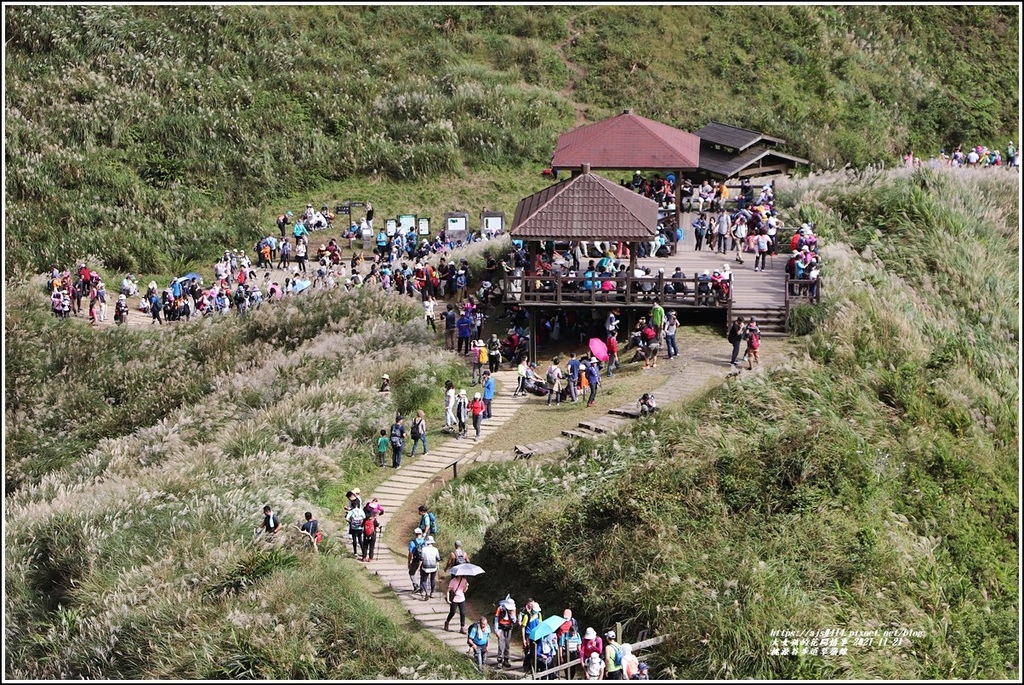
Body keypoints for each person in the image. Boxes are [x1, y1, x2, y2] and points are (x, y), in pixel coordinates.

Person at [520, 599, 543, 673]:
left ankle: (534, 667)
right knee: (529, 651)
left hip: (537, 636)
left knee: (536, 652)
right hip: (529, 636)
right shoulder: (527, 616)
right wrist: (524, 639)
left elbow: (540, 625)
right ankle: (527, 666)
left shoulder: (539, 615)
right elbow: (523, 627)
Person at [494, 596, 517, 668]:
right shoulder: (500, 609)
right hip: (501, 627)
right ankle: (500, 661)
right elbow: (496, 619)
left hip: (509, 628)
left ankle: (506, 660)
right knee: (501, 645)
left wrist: (512, 614)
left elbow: (514, 620)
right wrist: (496, 630)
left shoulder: (513, 609)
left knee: (507, 644)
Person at [408, 527, 425, 593]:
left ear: (415, 534)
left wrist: (409, 562)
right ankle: (422, 587)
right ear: (421, 533)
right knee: (422, 574)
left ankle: (415, 586)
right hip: (424, 559)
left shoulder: (413, 542)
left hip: (416, 559)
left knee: (411, 572)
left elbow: (410, 553)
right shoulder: (425, 542)